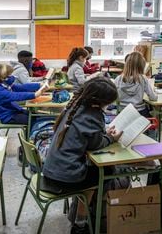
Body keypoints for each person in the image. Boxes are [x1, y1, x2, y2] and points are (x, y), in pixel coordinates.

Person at [42, 77, 122, 233]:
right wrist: (111, 138)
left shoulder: (75, 106)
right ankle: (81, 223)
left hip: (51, 171)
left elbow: (86, 136)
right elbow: (95, 144)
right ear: (100, 101)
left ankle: (82, 213)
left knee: (97, 172)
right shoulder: (93, 115)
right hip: (64, 177)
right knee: (106, 172)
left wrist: (103, 134)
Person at [114, 51, 157, 117]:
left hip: (122, 112)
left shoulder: (118, 78)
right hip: (139, 112)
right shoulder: (142, 78)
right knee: (152, 116)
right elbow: (153, 98)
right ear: (141, 66)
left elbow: (114, 97)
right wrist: (154, 92)